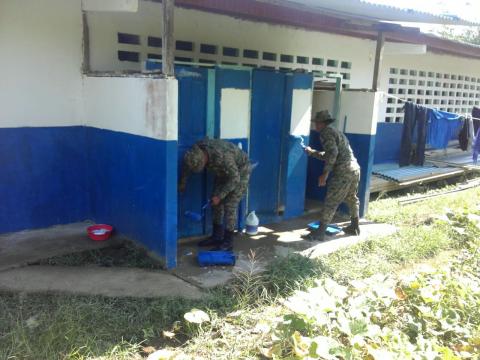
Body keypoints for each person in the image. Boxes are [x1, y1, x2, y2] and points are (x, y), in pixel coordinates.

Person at [179, 138, 251, 251]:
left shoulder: (223, 158)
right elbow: (186, 166)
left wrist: (220, 196)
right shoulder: (195, 150)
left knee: (230, 204)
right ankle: (217, 236)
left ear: (204, 159)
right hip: (223, 172)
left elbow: (235, 178)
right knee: (215, 203)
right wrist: (182, 183)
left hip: (240, 172)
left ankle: (228, 242)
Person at [304, 110, 361, 241]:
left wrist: (325, 174)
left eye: (317, 123)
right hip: (354, 169)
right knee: (352, 197)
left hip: (343, 171)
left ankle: (320, 232)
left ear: (322, 123)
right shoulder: (336, 132)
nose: (316, 126)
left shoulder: (325, 133)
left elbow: (333, 154)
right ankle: (355, 226)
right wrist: (312, 152)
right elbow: (331, 154)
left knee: (331, 201)